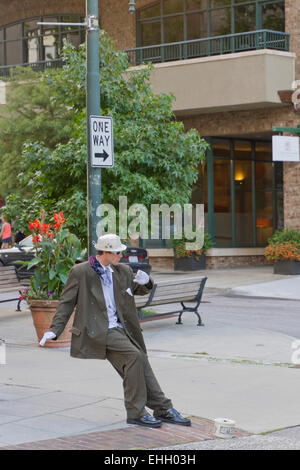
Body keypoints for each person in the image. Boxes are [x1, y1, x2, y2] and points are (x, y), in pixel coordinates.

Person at [40, 233, 191, 428]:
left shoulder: (123, 271)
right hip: (98, 330)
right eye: (118, 252)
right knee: (134, 356)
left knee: (139, 359)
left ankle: (162, 407)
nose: (121, 255)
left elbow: (139, 290)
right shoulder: (81, 272)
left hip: (121, 328)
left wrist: (146, 282)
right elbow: (66, 302)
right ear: (105, 252)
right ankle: (136, 412)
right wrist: (54, 329)